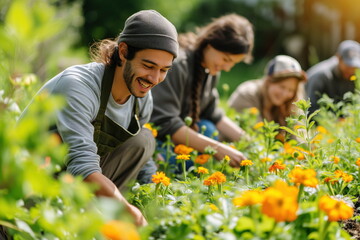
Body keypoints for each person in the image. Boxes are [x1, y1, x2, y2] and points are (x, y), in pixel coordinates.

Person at [19, 10, 178, 226]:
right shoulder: (79, 86)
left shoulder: (142, 98)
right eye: (148, 66)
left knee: (143, 139)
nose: (154, 78)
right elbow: (82, 165)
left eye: (164, 70)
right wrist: (128, 211)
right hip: (29, 178)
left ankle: (94, 216)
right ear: (123, 52)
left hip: (73, 181)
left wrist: (158, 197)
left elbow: (141, 156)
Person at [150, 14, 254, 169]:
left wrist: (251, 143)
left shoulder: (209, 70)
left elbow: (212, 112)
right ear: (210, 45)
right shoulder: (178, 65)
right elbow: (166, 123)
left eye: (233, 63)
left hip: (179, 139)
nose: (227, 68)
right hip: (156, 138)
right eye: (226, 59)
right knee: (174, 161)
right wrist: (217, 149)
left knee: (209, 129)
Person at [228, 55, 306, 127]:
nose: (285, 94)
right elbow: (255, 135)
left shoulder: (291, 102)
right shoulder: (247, 94)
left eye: (291, 90)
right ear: (268, 81)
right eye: (282, 87)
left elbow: (300, 135)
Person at [305, 40, 360, 114]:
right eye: (348, 66)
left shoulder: (352, 76)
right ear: (338, 58)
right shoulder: (321, 76)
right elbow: (311, 109)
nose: (351, 70)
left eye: (354, 67)